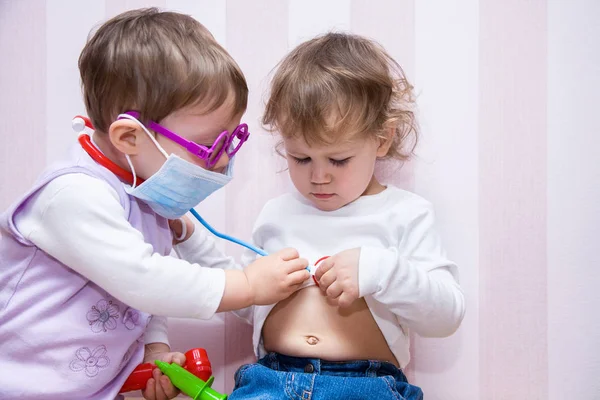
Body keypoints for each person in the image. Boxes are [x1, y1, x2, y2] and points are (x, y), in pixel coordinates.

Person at [0, 9, 308, 400]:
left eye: (231, 142)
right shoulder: (73, 195)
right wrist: (246, 285)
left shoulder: (141, 193)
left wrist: (154, 348)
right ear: (130, 137)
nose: (223, 161)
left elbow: (144, 297)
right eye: (211, 146)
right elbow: (144, 280)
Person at [228, 32, 466, 400]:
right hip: (270, 381)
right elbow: (240, 302)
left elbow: (446, 316)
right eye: (300, 158)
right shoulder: (276, 213)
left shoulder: (405, 213)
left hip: (367, 385)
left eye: (338, 159)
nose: (318, 176)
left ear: (382, 139)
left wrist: (382, 270)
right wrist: (196, 244)